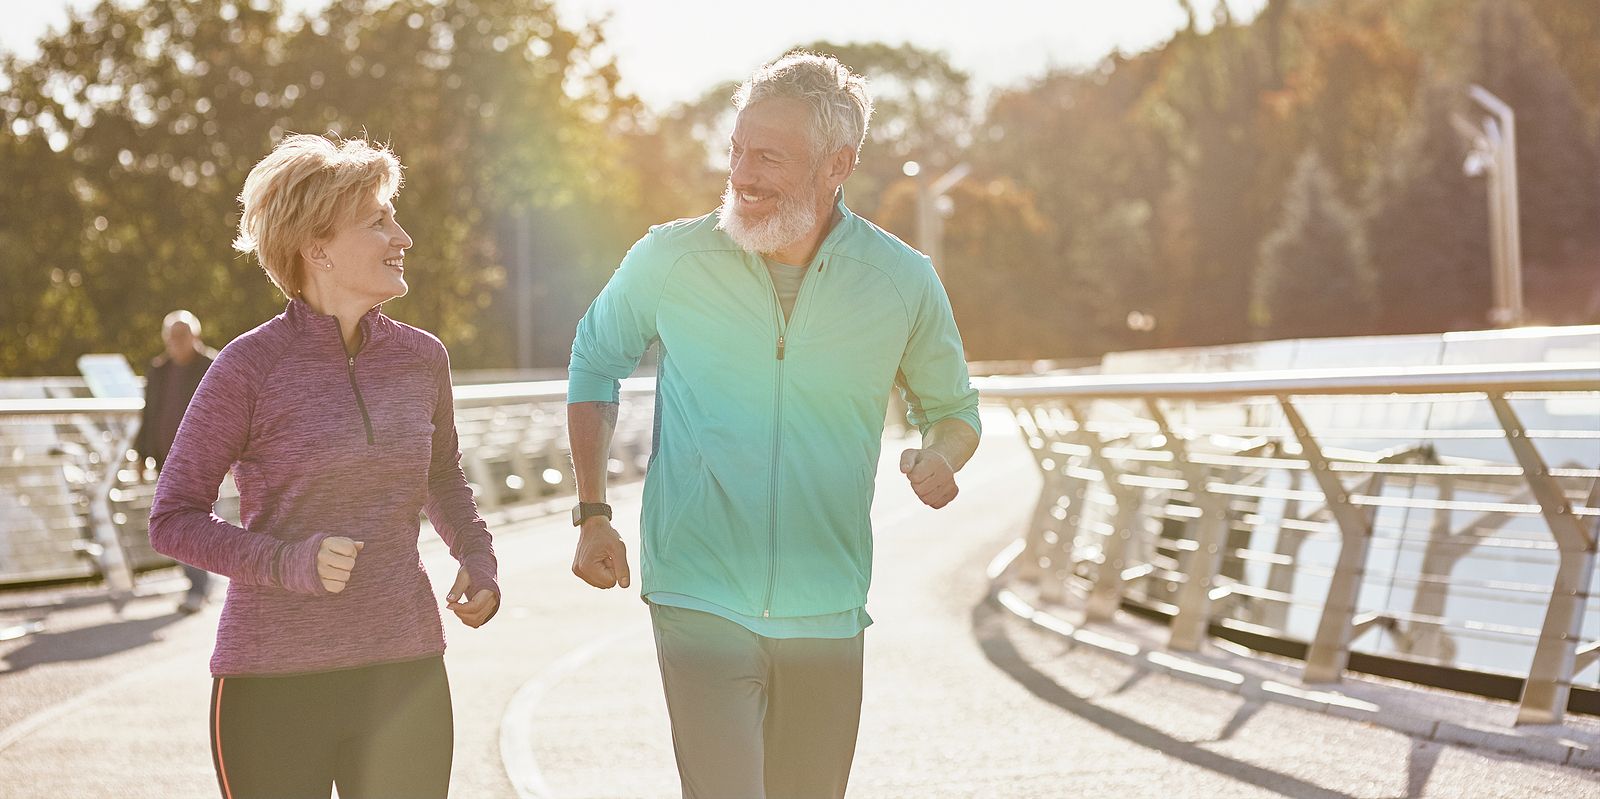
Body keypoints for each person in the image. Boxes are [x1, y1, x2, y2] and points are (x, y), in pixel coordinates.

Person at [566, 52, 981, 799]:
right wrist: (593, 512)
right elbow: (594, 361)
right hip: (698, 592)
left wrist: (942, 455)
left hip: (828, 603)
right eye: (736, 148)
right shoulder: (671, 257)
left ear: (837, 165)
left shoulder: (902, 279)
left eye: (768, 155)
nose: (741, 172)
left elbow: (952, 411)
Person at [148, 133, 500, 799]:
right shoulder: (248, 367)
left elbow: (442, 475)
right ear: (318, 248)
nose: (404, 235)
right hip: (274, 680)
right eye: (378, 220)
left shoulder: (423, 358)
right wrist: (288, 561)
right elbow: (172, 518)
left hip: (405, 668)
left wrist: (477, 560)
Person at [134, 309, 218, 613]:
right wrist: (141, 455)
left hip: (206, 462)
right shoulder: (158, 370)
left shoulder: (213, 366)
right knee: (177, 525)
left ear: (195, 336)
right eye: (171, 337)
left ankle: (202, 586)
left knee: (201, 524)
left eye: (182, 336)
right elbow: (149, 414)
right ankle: (198, 585)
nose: (176, 342)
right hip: (166, 461)